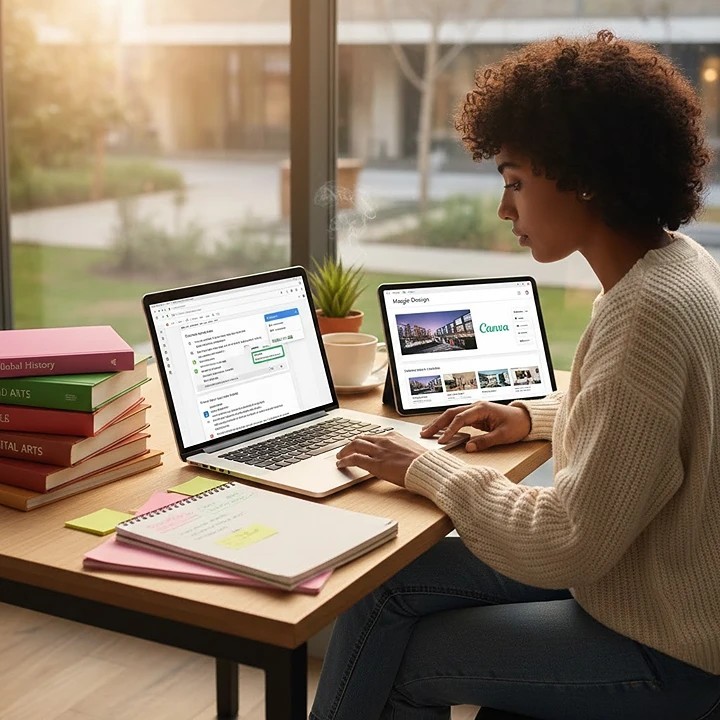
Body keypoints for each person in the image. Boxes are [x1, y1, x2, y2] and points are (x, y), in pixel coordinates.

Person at [309, 30, 720, 720]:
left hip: (669, 645)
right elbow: (649, 418)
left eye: (515, 182)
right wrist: (533, 417)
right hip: (647, 581)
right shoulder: (677, 264)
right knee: (382, 588)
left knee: (404, 660)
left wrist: (421, 465)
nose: (506, 211)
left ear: (584, 174)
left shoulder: (645, 312)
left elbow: (565, 540)